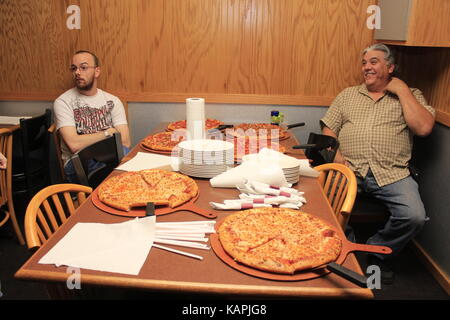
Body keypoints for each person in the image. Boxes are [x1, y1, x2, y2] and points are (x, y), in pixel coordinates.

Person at [320, 43, 435, 284]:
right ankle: (346, 246)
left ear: (391, 67)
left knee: (414, 215)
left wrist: (402, 90)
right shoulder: (348, 94)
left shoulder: (411, 95)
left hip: (392, 173)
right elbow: (328, 128)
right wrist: (337, 155)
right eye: (364, 63)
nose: (367, 67)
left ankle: (375, 251)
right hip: (350, 169)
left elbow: (423, 128)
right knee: (319, 205)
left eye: (374, 62)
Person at [53, 50, 131, 183]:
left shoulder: (113, 101)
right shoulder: (63, 102)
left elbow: (125, 141)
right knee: (115, 173)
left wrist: (90, 140)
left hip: (111, 158)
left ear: (97, 71)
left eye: (83, 67)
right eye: (74, 68)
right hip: (79, 163)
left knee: (125, 158)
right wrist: (108, 133)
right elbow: (74, 144)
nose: (77, 72)